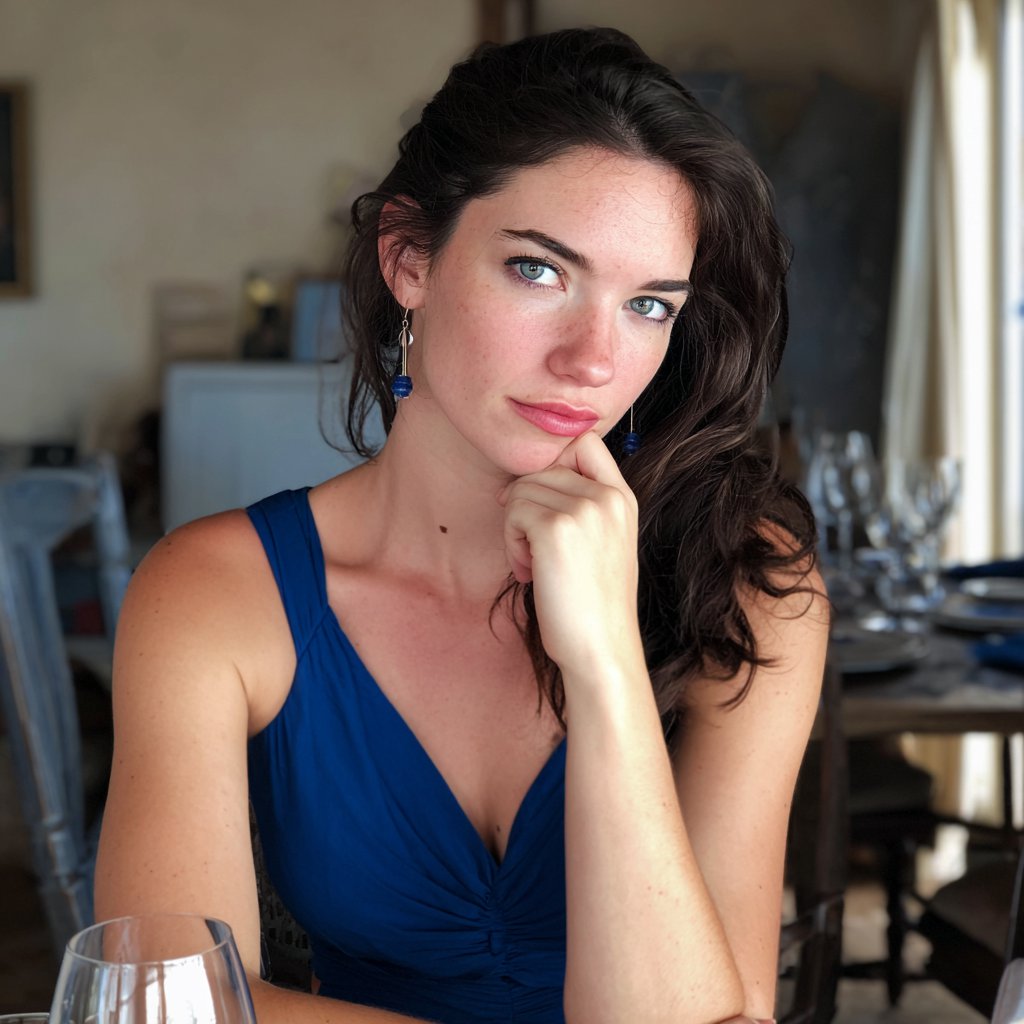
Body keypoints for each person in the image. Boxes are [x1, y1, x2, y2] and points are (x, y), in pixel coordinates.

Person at [95, 26, 828, 1024]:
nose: (593, 360)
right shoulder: (217, 593)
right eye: (540, 271)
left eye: (649, 305)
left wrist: (607, 664)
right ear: (408, 258)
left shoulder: (748, 582)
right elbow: (159, 1004)